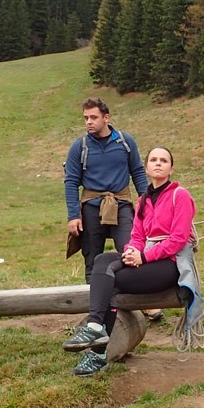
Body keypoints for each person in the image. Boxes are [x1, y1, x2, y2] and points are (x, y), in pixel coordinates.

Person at [63, 146, 200, 377]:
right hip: (145, 258)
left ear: (171, 168)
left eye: (163, 160)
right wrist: (130, 252)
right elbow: (137, 236)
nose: (158, 163)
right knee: (102, 259)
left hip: (170, 264)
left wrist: (143, 257)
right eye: (153, 160)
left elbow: (178, 240)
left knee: (113, 281)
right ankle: (95, 328)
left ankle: (98, 351)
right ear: (146, 167)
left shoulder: (180, 196)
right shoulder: (144, 200)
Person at [63, 97, 147, 281]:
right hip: (91, 208)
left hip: (121, 204)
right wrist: (74, 216)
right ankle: (94, 297)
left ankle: (135, 295)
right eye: (86, 118)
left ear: (106, 118)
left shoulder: (125, 142)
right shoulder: (80, 147)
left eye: (93, 117)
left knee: (130, 251)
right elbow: (71, 182)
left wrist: (148, 203)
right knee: (92, 258)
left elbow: (138, 172)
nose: (89, 122)